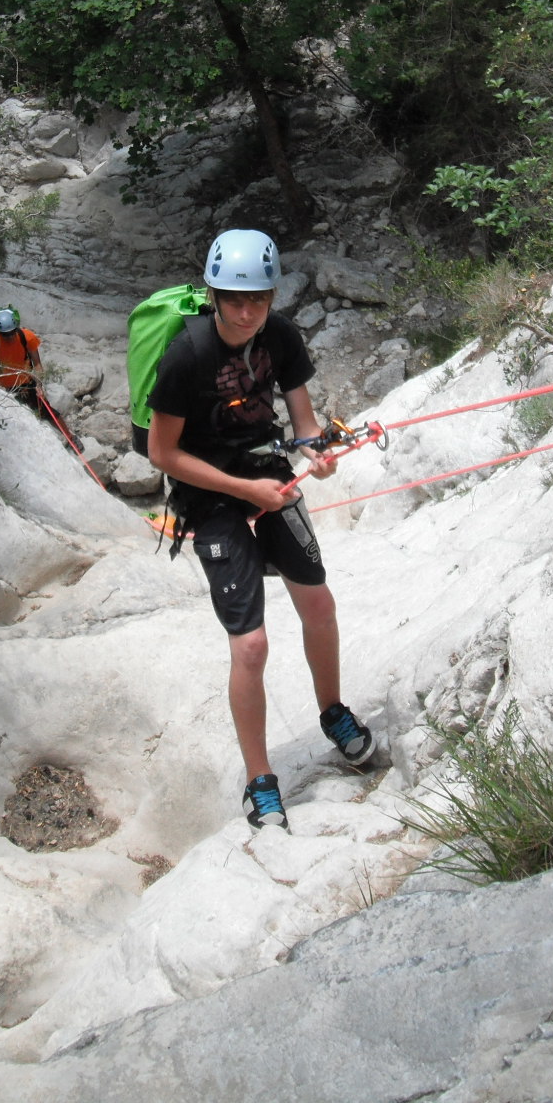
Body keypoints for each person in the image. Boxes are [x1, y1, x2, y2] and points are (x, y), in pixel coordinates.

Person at [145, 228, 377, 832]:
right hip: (209, 495)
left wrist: (318, 459)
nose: (247, 313)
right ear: (214, 295)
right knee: (251, 644)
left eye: (259, 299)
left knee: (318, 604)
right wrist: (244, 492)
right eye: (234, 299)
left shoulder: (280, 337)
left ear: (273, 297)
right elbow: (162, 453)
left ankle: (334, 714)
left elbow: (302, 426)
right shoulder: (186, 355)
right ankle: (260, 779)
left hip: (268, 475)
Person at [0, 306, 44, 412]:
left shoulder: (27, 337)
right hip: (3, 388)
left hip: (26, 383)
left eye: (12, 332)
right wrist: (2, 392)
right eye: (5, 334)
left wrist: (39, 385)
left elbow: (37, 364)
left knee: (48, 412)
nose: (10, 337)